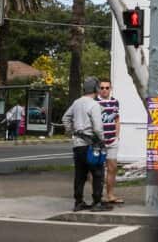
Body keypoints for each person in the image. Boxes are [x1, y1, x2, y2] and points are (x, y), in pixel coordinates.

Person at [61, 77, 111, 212]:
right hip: (91, 145)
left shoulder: (76, 103)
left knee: (80, 174)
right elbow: (98, 128)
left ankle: (78, 202)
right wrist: (102, 141)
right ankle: (97, 202)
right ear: (96, 89)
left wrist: (70, 130)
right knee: (98, 173)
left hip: (78, 145)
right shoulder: (94, 105)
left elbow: (65, 117)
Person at [97, 79, 123, 205]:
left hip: (112, 140)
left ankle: (110, 194)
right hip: (99, 142)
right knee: (97, 169)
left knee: (112, 168)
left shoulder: (115, 102)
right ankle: (98, 194)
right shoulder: (94, 102)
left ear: (110, 88)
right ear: (98, 89)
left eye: (107, 88)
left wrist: (117, 136)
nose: (104, 90)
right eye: (102, 88)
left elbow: (117, 119)